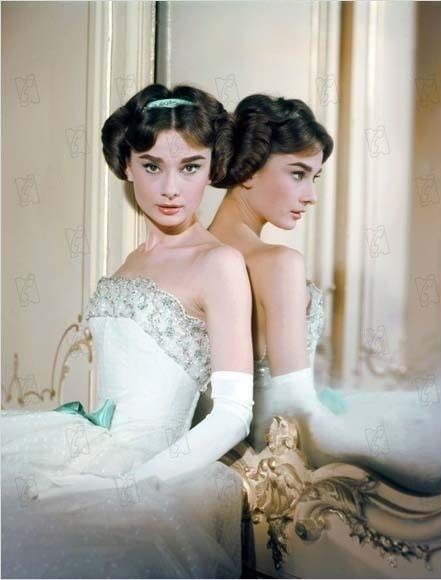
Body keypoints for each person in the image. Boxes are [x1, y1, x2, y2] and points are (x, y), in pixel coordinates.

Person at [1, 84, 255, 579]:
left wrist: (127, 486)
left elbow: (233, 415)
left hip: (150, 467)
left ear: (212, 168)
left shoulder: (218, 263)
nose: (170, 189)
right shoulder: (133, 259)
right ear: (127, 165)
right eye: (152, 165)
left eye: (190, 167)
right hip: (91, 444)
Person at [208, 93, 441, 494]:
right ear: (248, 170)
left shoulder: (195, 255)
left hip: (230, 449)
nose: (311, 196)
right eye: (298, 174)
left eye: (314, 178)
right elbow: (295, 409)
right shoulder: (279, 263)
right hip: (277, 443)